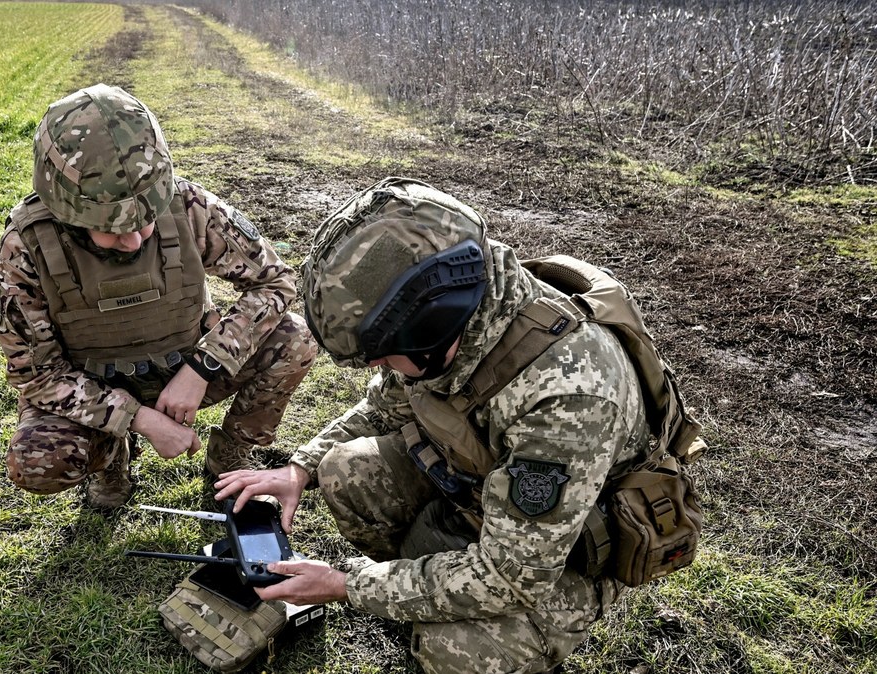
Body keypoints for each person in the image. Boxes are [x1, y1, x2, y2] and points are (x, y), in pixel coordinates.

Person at [216, 177, 700, 673]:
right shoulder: (463, 322)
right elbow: (384, 409)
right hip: (486, 496)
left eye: (385, 357)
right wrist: (301, 468)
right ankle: (427, 590)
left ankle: (476, 625)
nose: (381, 370)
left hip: (563, 554)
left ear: (432, 327)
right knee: (345, 471)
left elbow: (512, 576)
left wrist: (346, 584)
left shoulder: (568, 397)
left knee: (459, 655)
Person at [0, 84, 316, 510]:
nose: (135, 239)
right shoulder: (25, 248)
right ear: (67, 211)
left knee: (294, 339)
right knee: (36, 461)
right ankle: (110, 461)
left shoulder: (188, 205)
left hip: (185, 365)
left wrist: (202, 368)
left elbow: (276, 282)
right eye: (114, 228)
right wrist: (137, 420)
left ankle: (230, 457)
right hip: (93, 385)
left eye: (145, 220)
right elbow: (40, 376)